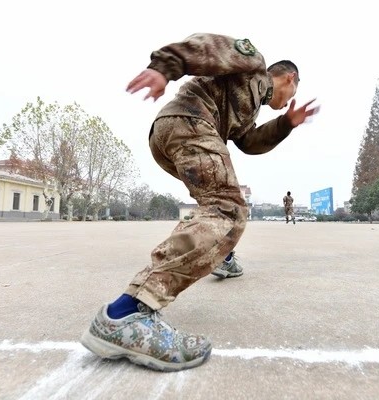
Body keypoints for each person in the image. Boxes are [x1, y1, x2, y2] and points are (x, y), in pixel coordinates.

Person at [81, 33, 320, 372]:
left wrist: (285, 124)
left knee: (217, 203)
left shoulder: (251, 107)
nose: (288, 100)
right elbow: (210, 48)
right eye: (292, 94)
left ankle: (222, 255)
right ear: (289, 78)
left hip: (171, 134)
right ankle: (127, 312)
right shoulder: (253, 64)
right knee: (227, 208)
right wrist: (166, 66)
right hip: (189, 121)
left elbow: (249, 142)